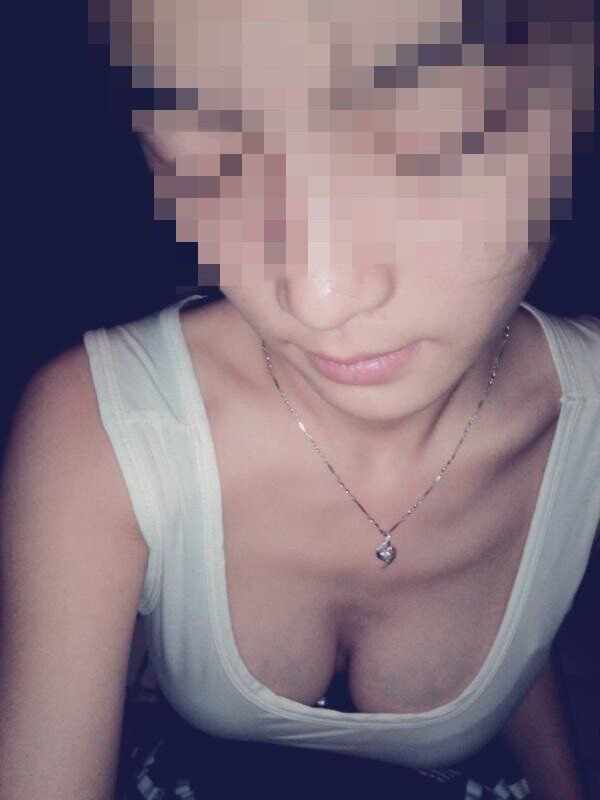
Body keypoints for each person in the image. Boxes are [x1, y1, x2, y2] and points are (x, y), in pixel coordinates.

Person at [1, 2, 598, 798]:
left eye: (437, 141)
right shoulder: (108, 427)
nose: (317, 298)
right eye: (212, 160)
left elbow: (525, 633)